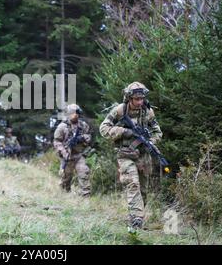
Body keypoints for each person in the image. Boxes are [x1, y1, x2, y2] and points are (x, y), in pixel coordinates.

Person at [99, 82, 163, 232]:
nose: (140, 102)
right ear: (129, 98)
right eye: (136, 99)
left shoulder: (148, 112)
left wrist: (150, 142)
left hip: (143, 155)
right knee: (132, 183)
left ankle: (135, 216)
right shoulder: (119, 111)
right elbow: (103, 129)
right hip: (125, 154)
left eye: (142, 99)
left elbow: (157, 132)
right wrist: (123, 132)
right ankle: (136, 220)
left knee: (143, 189)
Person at [53, 104, 92, 197]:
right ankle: (64, 196)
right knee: (66, 178)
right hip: (68, 156)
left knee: (84, 173)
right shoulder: (62, 126)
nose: (75, 115)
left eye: (77, 113)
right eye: (73, 113)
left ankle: (85, 197)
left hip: (79, 155)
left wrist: (82, 138)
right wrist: (63, 152)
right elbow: (57, 142)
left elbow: (89, 136)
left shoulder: (83, 125)